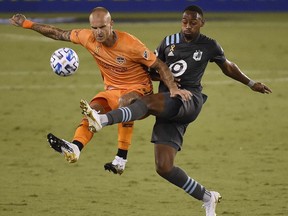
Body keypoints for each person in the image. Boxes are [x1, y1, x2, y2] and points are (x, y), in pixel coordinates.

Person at [78, 5, 272, 216]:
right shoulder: (168, 42)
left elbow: (228, 67)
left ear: (202, 23)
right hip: (168, 103)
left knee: (146, 103)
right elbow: (151, 69)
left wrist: (251, 83)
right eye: (184, 22)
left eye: (193, 23)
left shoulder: (209, 45)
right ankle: (208, 197)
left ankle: (103, 120)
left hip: (188, 100)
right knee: (164, 167)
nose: (187, 27)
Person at [9, 7, 190, 174]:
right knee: (92, 110)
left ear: (111, 24)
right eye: (94, 28)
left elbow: (159, 65)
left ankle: (120, 155)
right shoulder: (88, 37)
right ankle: (75, 147)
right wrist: (27, 24)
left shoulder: (131, 44)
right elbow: (58, 33)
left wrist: (173, 88)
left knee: (124, 102)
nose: (98, 32)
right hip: (112, 91)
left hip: (140, 92)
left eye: (102, 27)